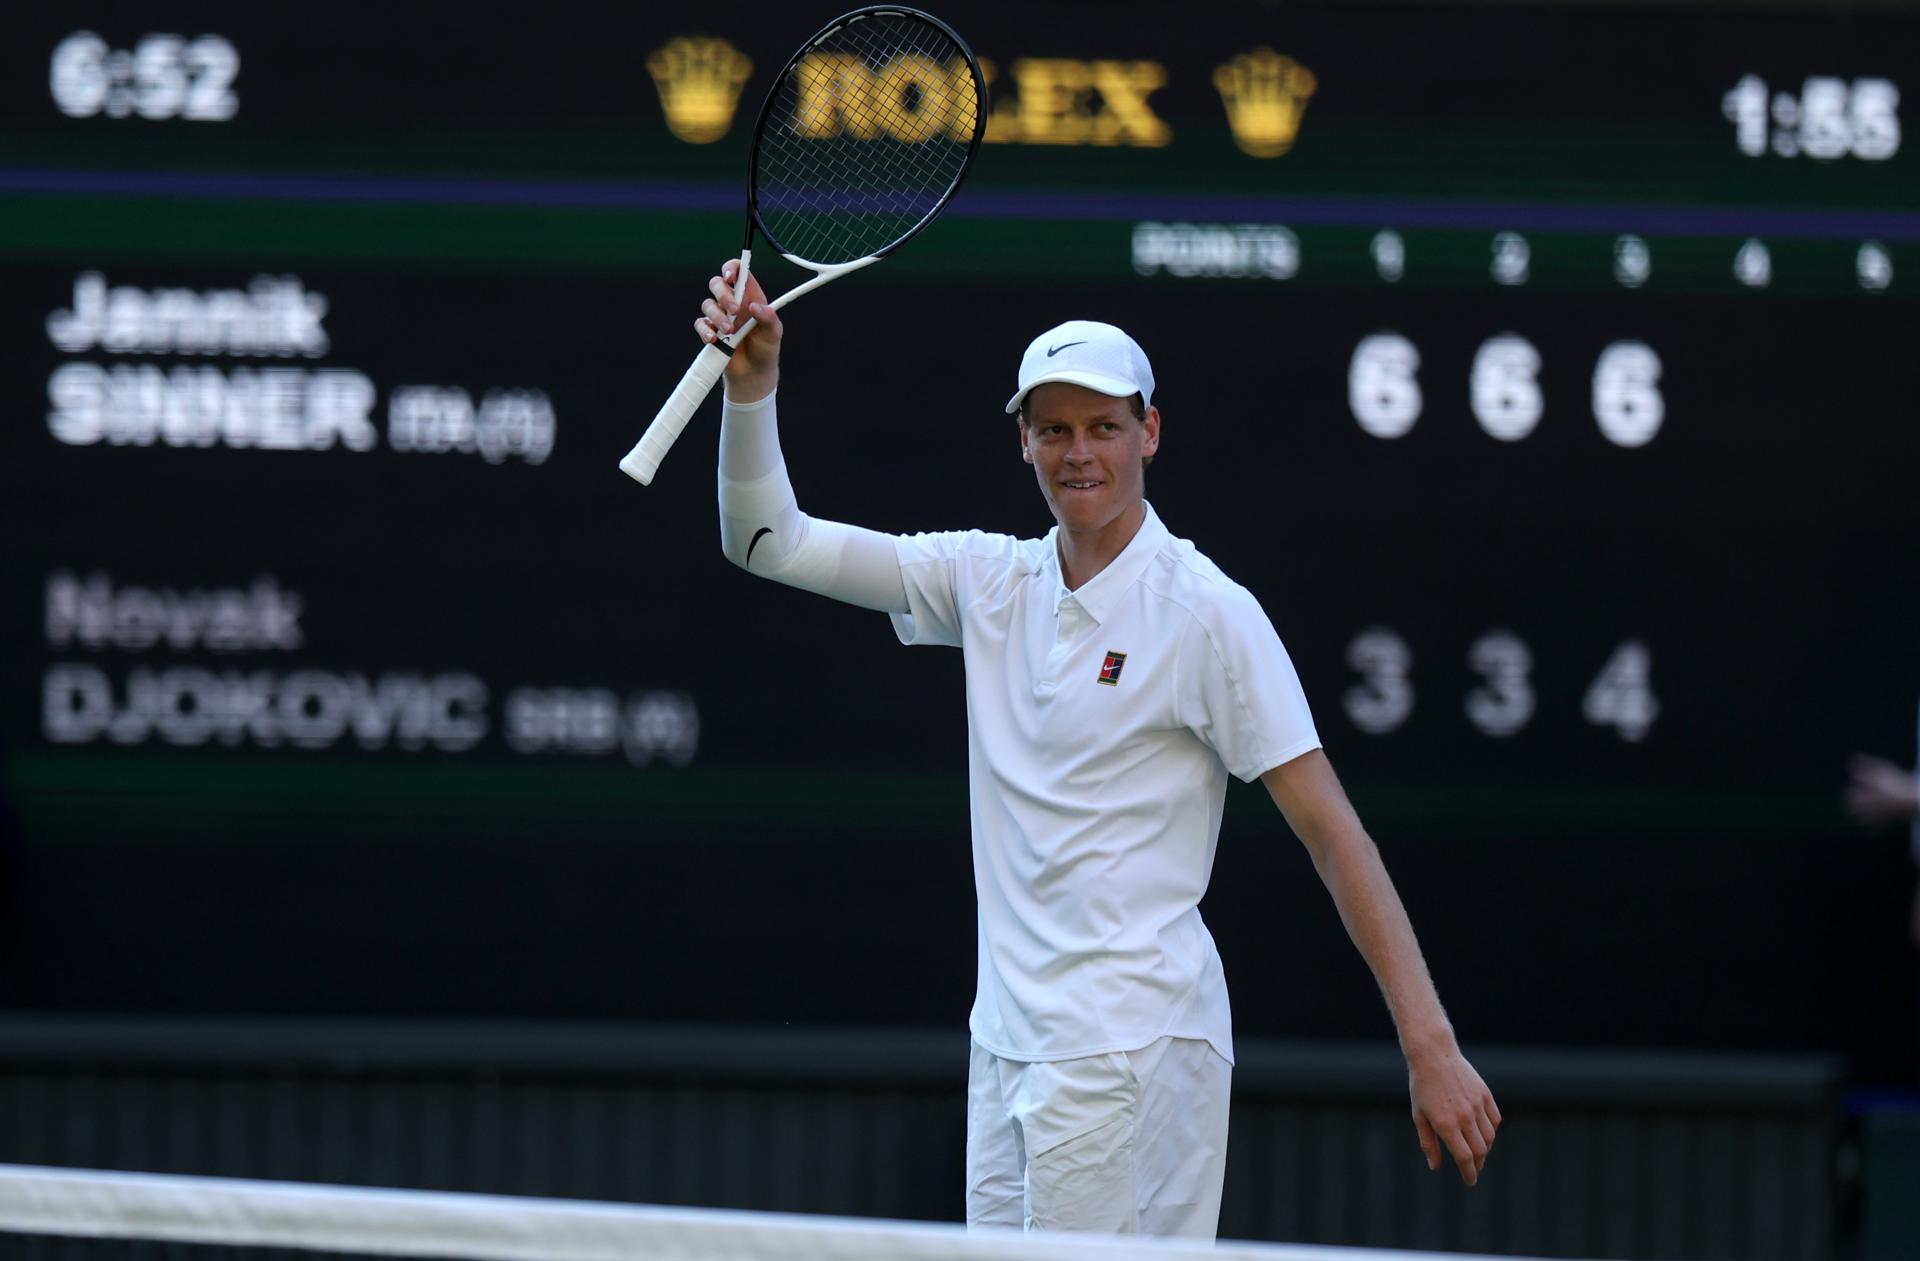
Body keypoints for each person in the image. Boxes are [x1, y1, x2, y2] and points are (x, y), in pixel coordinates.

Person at [695, 261, 1499, 1238]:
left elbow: (1333, 833)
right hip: (1008, 1050)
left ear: (1149, 433)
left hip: (1134, 1047)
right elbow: (767, 542)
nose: (1081, 453)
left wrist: (1432, 1046)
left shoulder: (1208, 614)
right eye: (1056, 429)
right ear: (1023, 442)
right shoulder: (987, 581)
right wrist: (751, 386)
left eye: (1105, 426)